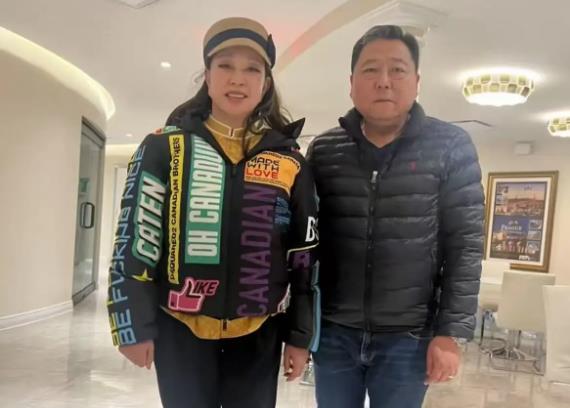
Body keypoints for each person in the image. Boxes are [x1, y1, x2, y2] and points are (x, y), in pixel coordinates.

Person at [107, 17, 319, 408]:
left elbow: (304, 258)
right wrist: (131, 324)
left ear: (265, 84)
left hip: (260, 332)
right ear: (207, 76)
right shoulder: (163, 147)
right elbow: (136, 239)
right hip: (179, 329)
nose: (238, 79)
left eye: (252, 69)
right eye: (225, 66)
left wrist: (301, 337)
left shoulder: (289, 161)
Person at [307, 25, 484, 408]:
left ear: (417, 82)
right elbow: (308, 243)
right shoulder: (323, 150)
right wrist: (300, 326)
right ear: (351, 83)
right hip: (334, 333)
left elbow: (465, 245)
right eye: (370, 69)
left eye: (397, 70)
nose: (384, 81)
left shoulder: (450, 146)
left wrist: (450, 332)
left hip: (409, 338)